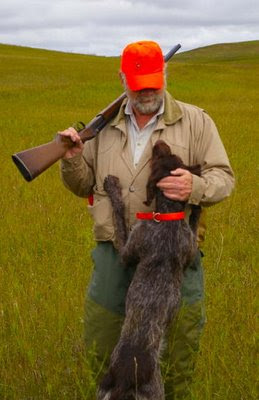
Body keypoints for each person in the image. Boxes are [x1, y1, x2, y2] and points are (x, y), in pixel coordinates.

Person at [59, 40, 235, 399]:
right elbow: (80, 185)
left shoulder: (196, 121)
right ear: (122, 79)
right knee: (105, 347)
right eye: (139, 85)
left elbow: (225, 179)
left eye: (154, 82)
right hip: (114, 251)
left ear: (165, 75)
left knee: (176, 355)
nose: (148, 92)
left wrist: (195, 185)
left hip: (172, 259)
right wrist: (73, 158)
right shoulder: (102, 129)